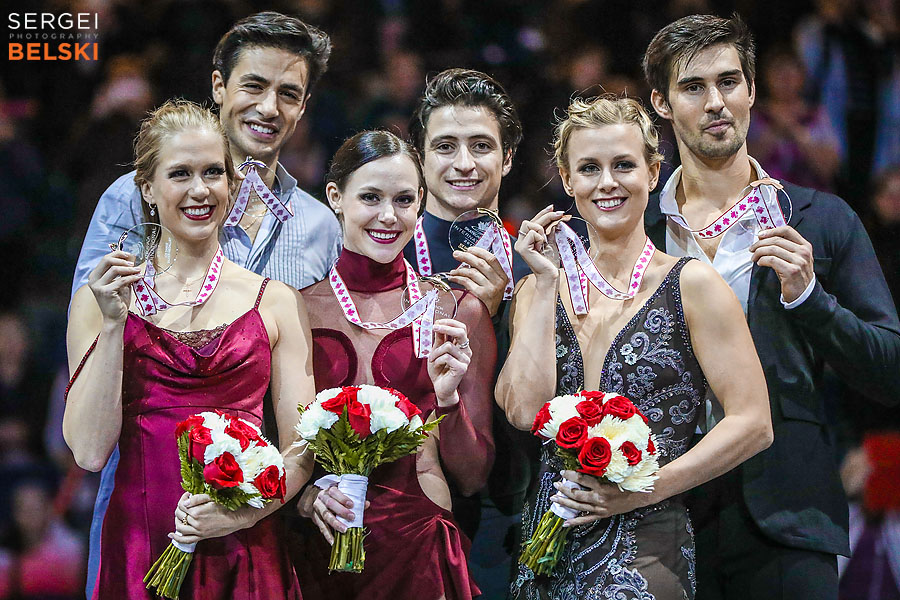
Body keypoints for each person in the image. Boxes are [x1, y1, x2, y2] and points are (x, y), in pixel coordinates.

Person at [70, 13, 340, 597]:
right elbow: (91, 342)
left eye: (287, 93)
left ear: (303, 105)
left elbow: (322, 371)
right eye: (253, 86)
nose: (268, 107)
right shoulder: (126, 199)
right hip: (142, 480)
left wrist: (286, 487)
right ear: (219, 86)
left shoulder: (320, 225)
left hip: (266, 499)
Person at [642, 13, 900, 599]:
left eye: (730, 82)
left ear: (753, 91)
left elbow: (890, 369)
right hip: (659, 518)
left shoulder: (820, 220)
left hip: (788, 518)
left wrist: (811, 300)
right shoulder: (636, 229)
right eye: (692, 87)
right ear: (661, 102)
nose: (716, 102)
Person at [498, 96, 773, 599]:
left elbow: (753, 422)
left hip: (648, 546)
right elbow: (523, 411)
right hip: (545, 548)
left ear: (651, 172)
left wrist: (647, 487)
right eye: (589, 168)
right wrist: (539, 287)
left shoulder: (694, 285)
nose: (607, 182)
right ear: (566, 178)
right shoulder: (539, 287)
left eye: (623, 165)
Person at [295, 130, 496, 599]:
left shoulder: (455, 310)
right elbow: (277, 447)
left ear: (421, 202)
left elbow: (473, 476)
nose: (389, 216)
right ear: (335, 198)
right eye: (370, 197)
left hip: (419, 554)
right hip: (315, 550)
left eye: (404, 199)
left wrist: (446, 403)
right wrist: (304, 501)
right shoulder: (293, 310)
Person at [405, 68, 539, 595]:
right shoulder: (383, 255)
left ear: (507, 159)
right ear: (420, 157)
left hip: (509, 511)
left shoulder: (537, 267)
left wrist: (500, 317)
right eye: (445, 146)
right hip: (399, 504)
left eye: (481, 145)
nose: (464, 163)